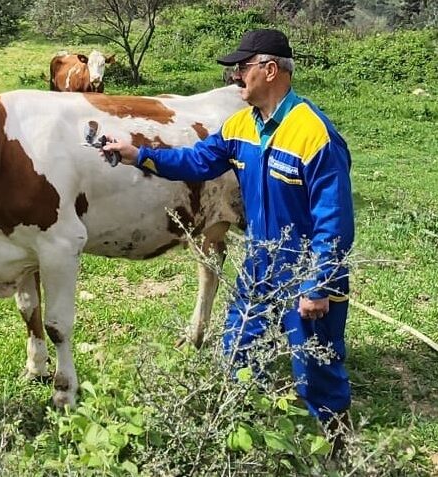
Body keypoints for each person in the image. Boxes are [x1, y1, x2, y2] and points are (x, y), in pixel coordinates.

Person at [102, 29, 354, 435]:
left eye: (241, 68)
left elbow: (335, 219)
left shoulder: (315, 135)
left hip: (307, 268)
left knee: (315, 365)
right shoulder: (240, 128)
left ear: (270, 70)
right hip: (262, 261)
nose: (234, 77)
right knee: (238, 346)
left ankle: (334, 442)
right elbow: (195, 162)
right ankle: (242, 430)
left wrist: (317, 284)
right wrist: (138, 155)